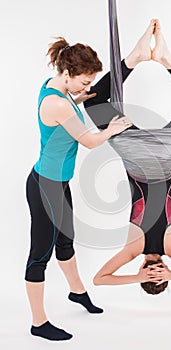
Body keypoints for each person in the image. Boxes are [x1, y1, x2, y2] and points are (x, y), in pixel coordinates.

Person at [83, 20, 171, 294]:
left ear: (140, 274)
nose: (153, 273)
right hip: (163, 155)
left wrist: (137, 278)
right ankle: (159, 60)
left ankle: (137, 59)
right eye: (159, 277)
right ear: (164, 274)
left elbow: (100, 279)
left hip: (142, 156)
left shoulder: (133, 250)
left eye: (148, 278)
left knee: (94, 102)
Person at [25, 38, 134, 341]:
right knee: (40, 255)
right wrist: (111, 130)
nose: (85, 86)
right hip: (46, 186)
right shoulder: (58, 102)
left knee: (66, 242)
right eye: (83, 82)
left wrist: (81, 97)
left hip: (58, 182)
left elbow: (69, 107)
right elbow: (87, 140)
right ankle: (38, 323)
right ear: (68, 73)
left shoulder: (56, 85)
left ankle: (77, 293)